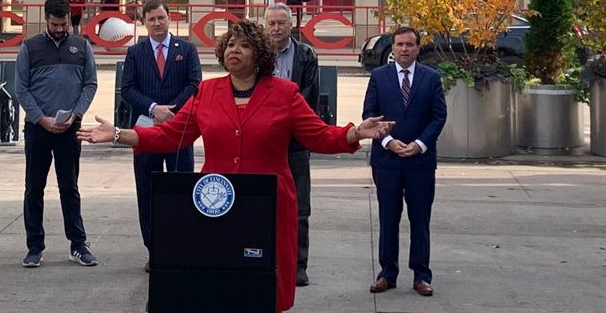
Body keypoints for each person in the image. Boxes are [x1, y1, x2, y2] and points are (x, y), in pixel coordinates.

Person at [79, 19, 392, 313]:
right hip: (217, 206)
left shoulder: (285, 94)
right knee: (221, 283)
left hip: (269, 205)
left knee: (263, 287)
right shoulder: (207, 93)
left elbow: (319, 135)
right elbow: (170, 135)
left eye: (242, 45)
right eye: (229, 45)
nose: (234, 51)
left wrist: (354, 133)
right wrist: (119, 134)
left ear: (258, 54)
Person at [362, 26, 448, 298]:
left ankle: (421, 275)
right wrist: (388, 141)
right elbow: (369, 114)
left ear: (418, 48)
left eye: (410, 44)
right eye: (399, 44)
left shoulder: (431, 78)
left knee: (420, 218)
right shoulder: (378, 76)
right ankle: (387, 273)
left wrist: (420, 145)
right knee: (388, 217)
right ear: (393, 47)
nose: (404, 49)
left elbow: (438, 116)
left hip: (419, 162)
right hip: (387, 160)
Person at [16, 0, 99, 269]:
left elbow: (90, 84)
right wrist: (41, 119)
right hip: (38, 129)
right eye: (55, 24)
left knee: (70, 187)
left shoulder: (82, 46)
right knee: (34, 188)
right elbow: (21, 89)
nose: (61, 29)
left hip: (69, 128)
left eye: (64, 24)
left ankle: (78, 244)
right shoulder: (29, 48)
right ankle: (34, 246)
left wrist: (76, 114)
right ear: (46, 20)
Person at [119, 0, 203, 265]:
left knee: (181, 189)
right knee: (147, 191)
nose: (157, 23)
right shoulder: (136, 53)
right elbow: (128, 89)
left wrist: (173, 111)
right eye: (152, 19)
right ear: (144, 22)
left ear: (170, 19)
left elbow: (195, 84)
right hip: (145, 132)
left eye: (161, 18)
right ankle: (154, 251)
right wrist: (154, 108)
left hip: (179, 131)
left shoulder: (187, 49)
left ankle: (181, 247)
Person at [264, 2, 319, 288]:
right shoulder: (256, 55)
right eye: (271, 23)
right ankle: (263, 259)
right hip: (262, 142)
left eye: (281, 23)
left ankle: (298, 266)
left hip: (295, 143)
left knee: (299, 208)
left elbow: (309, 100)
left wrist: (285, 124)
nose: (276, 28)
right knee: (261, 203)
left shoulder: (307, 55)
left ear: (291, 25)